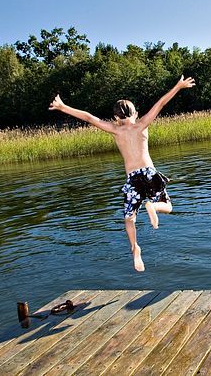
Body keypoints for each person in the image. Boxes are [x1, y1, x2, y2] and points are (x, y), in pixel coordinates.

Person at [48, 75, 195, 272]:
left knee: (129, 219)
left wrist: (63, 107)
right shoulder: (142, 124)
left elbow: (89, 117)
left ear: (116, 118)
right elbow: (160, 104)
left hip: (132, 178)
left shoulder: (115, 130)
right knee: (168, 206)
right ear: (135, 113)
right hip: (149, 173)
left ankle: (135, 249)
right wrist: (178, 86)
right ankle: (154, 206)